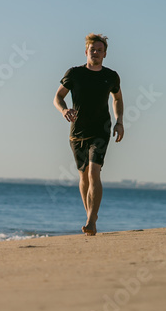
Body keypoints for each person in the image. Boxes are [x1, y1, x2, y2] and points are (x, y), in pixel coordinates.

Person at [53, 33, 124, 236]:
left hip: (101, 130)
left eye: (100, 50)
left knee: (94, 172)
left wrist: (119, 122)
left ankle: (91, 221)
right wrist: (65, 110)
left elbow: (118, 98)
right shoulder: (74, 73)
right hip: (77, 133)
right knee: (83, 176)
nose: (96, 53)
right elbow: (58, 97)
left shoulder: (111, 76)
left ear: (105, 54)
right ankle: (91, 215)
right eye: (93, 49)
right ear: (86, 52)